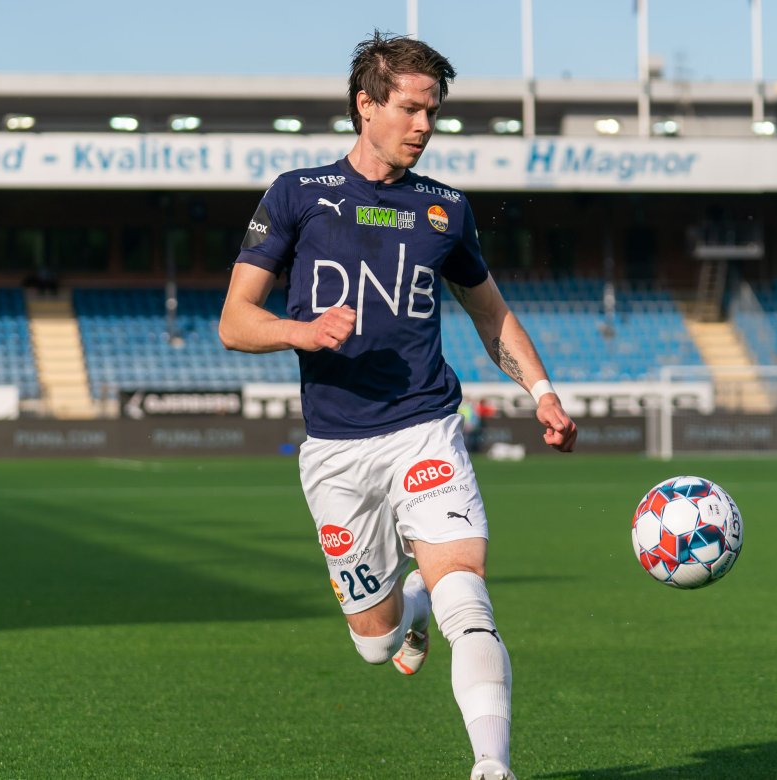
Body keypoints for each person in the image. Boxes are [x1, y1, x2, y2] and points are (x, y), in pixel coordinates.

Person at [218, 32, 577, 780]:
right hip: (336, 451)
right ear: (366, 104)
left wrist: (541, 392)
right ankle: (408, 607)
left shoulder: (446, 209)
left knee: (468, 601)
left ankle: (492, 764)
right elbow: (234, 321)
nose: (423, 126)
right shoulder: (297, 195)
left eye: (432, 112)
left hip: (425, 429)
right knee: (376, 641)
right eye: (410, 108)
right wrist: (300, 331)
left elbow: (491, 315)